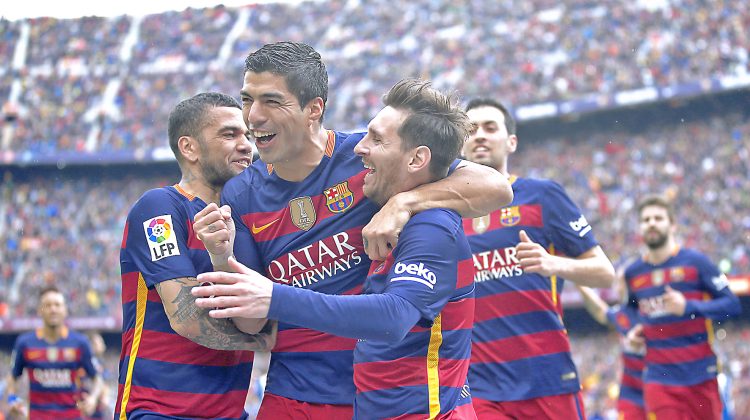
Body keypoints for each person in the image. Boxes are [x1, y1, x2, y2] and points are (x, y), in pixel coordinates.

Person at [193, 42, 512, 418]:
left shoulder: (372, 161)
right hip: (292, 395)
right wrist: (221, 256)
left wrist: (404, 202)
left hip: (374, 396)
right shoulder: (241, 193)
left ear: (314, 109)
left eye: (272, 101)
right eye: (247, 99)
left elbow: (497, 188)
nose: (253, 116)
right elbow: (253, 317)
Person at [115, 92, 276, 419]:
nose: (246, 144)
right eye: (230, 134)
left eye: (247, 134)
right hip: (160, 411)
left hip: (230, 413)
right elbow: (187, 318)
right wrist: (273, 341)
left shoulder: (247, 221)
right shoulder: (158, 208)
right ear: (189, 148)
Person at [460, 98, 616, 419]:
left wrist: (553, 263)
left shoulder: (542, 195)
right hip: (480, 387)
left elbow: (604, 273)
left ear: (511, 141)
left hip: (546, 379)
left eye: (491, 128)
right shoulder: (447, 211)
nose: (480, 136)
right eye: (471, 130)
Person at [623, 194, 741, 420]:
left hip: (701, 376)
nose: (652, 223)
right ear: (640, 228)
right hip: (660, 379)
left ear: (672, 224)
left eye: (658, 218)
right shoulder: (633, 273)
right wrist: (632, 330)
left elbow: (732, 305)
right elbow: (630, 310)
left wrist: (688, 306)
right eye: (646, 220)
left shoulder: (696, 263)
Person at [6, 286, 103, 419]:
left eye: (57, 305)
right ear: (40, 310)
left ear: (65, 310)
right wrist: (11, 399)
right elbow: (13, 377)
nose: (53, 309)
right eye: (48, 305)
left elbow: (97, 379)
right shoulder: (25, 343)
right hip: (38, 416)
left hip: (71, 416)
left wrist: (93, 398)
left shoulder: (80, 343)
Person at [576, 281, 646, 420]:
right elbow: (599, 309)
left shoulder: (654, 314)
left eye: (622, 283)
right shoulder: (622, 315)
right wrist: (578, 282)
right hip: (630, 391)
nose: (618, 287)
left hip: (657, 386)